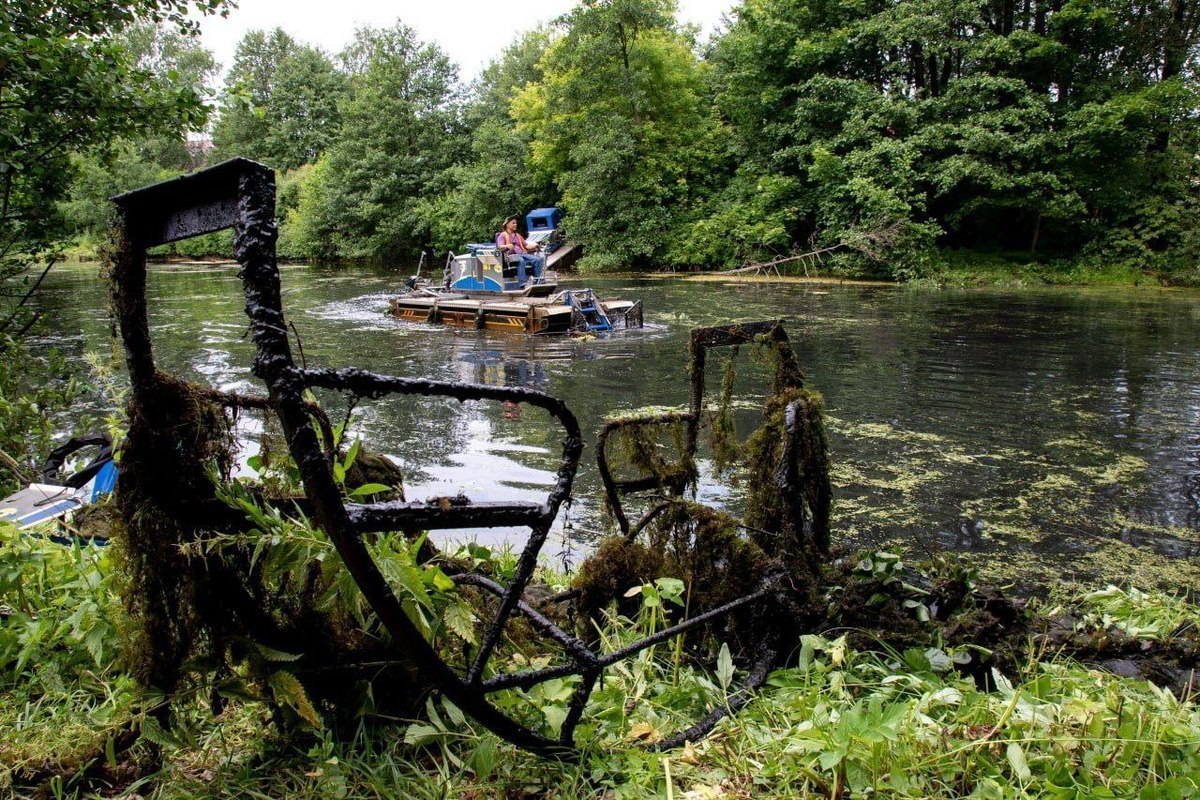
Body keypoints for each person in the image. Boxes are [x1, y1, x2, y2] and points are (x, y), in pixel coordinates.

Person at [495, 215, 544, 284]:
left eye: (516, 223)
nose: (516, 224)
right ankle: (523, 283)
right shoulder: (502, 235)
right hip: (511, 256)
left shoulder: (518, 235)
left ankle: (539, 280)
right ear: (507, 225)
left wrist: (536, 245)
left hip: (522, 254)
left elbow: (526, 246)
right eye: (513, 223)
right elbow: (499, 246)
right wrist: (507, 246)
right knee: (520, 260)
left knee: (537, 259)